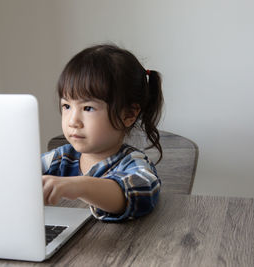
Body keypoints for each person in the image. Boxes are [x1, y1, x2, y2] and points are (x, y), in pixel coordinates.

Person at [42, 44, 164, 221]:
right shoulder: (61, 159)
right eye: (67, 106)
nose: (72, 121)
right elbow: (20, 174)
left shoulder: (133, 164)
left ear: (129, 115)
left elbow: (143, 191)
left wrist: (80, 185)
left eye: (88, 108)